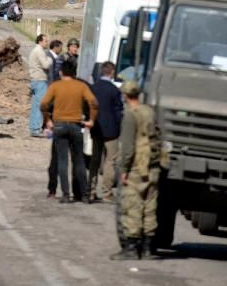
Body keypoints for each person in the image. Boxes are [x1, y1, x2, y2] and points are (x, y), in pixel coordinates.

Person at [110, 80, 162, 260]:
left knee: (132, 205)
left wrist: (124, 169)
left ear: (125, 95)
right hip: (152, 165)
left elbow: (128, 147)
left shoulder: (130, 115)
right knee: (149, 207)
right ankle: (147, 248)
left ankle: (131, 248)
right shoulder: (149, 111)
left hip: (136, 167)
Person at [40, 60, 99, 203]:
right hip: (76, 125)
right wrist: (91, 120)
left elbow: (43, 104)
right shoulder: (81, 86)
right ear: (74, 73)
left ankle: (66, 194)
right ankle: (84, 194)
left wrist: (47, 120)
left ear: (61, 72)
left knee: (62, 161)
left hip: (59, 125)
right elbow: (94, 102)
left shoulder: (55, 86)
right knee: (79, 161)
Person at [89, 61, 123, 203]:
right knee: (110, 161)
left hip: (96, 128)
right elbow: (119, 112)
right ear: (112, 72)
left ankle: (91, 191)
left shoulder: (93, 88)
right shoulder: (115, 90)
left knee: (95, 160)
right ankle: (106, 193)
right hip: (111, 131)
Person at [28, 34, 52, 137]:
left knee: (35, 106)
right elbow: (45, 65)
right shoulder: (40, 51)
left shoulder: (35, 50)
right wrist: (50, 59)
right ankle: (36, 129)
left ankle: (34, 127)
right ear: (40, 41)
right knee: (40, 105)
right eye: (46, 41)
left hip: (35, 80)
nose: (47, 43)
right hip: (40, 81)